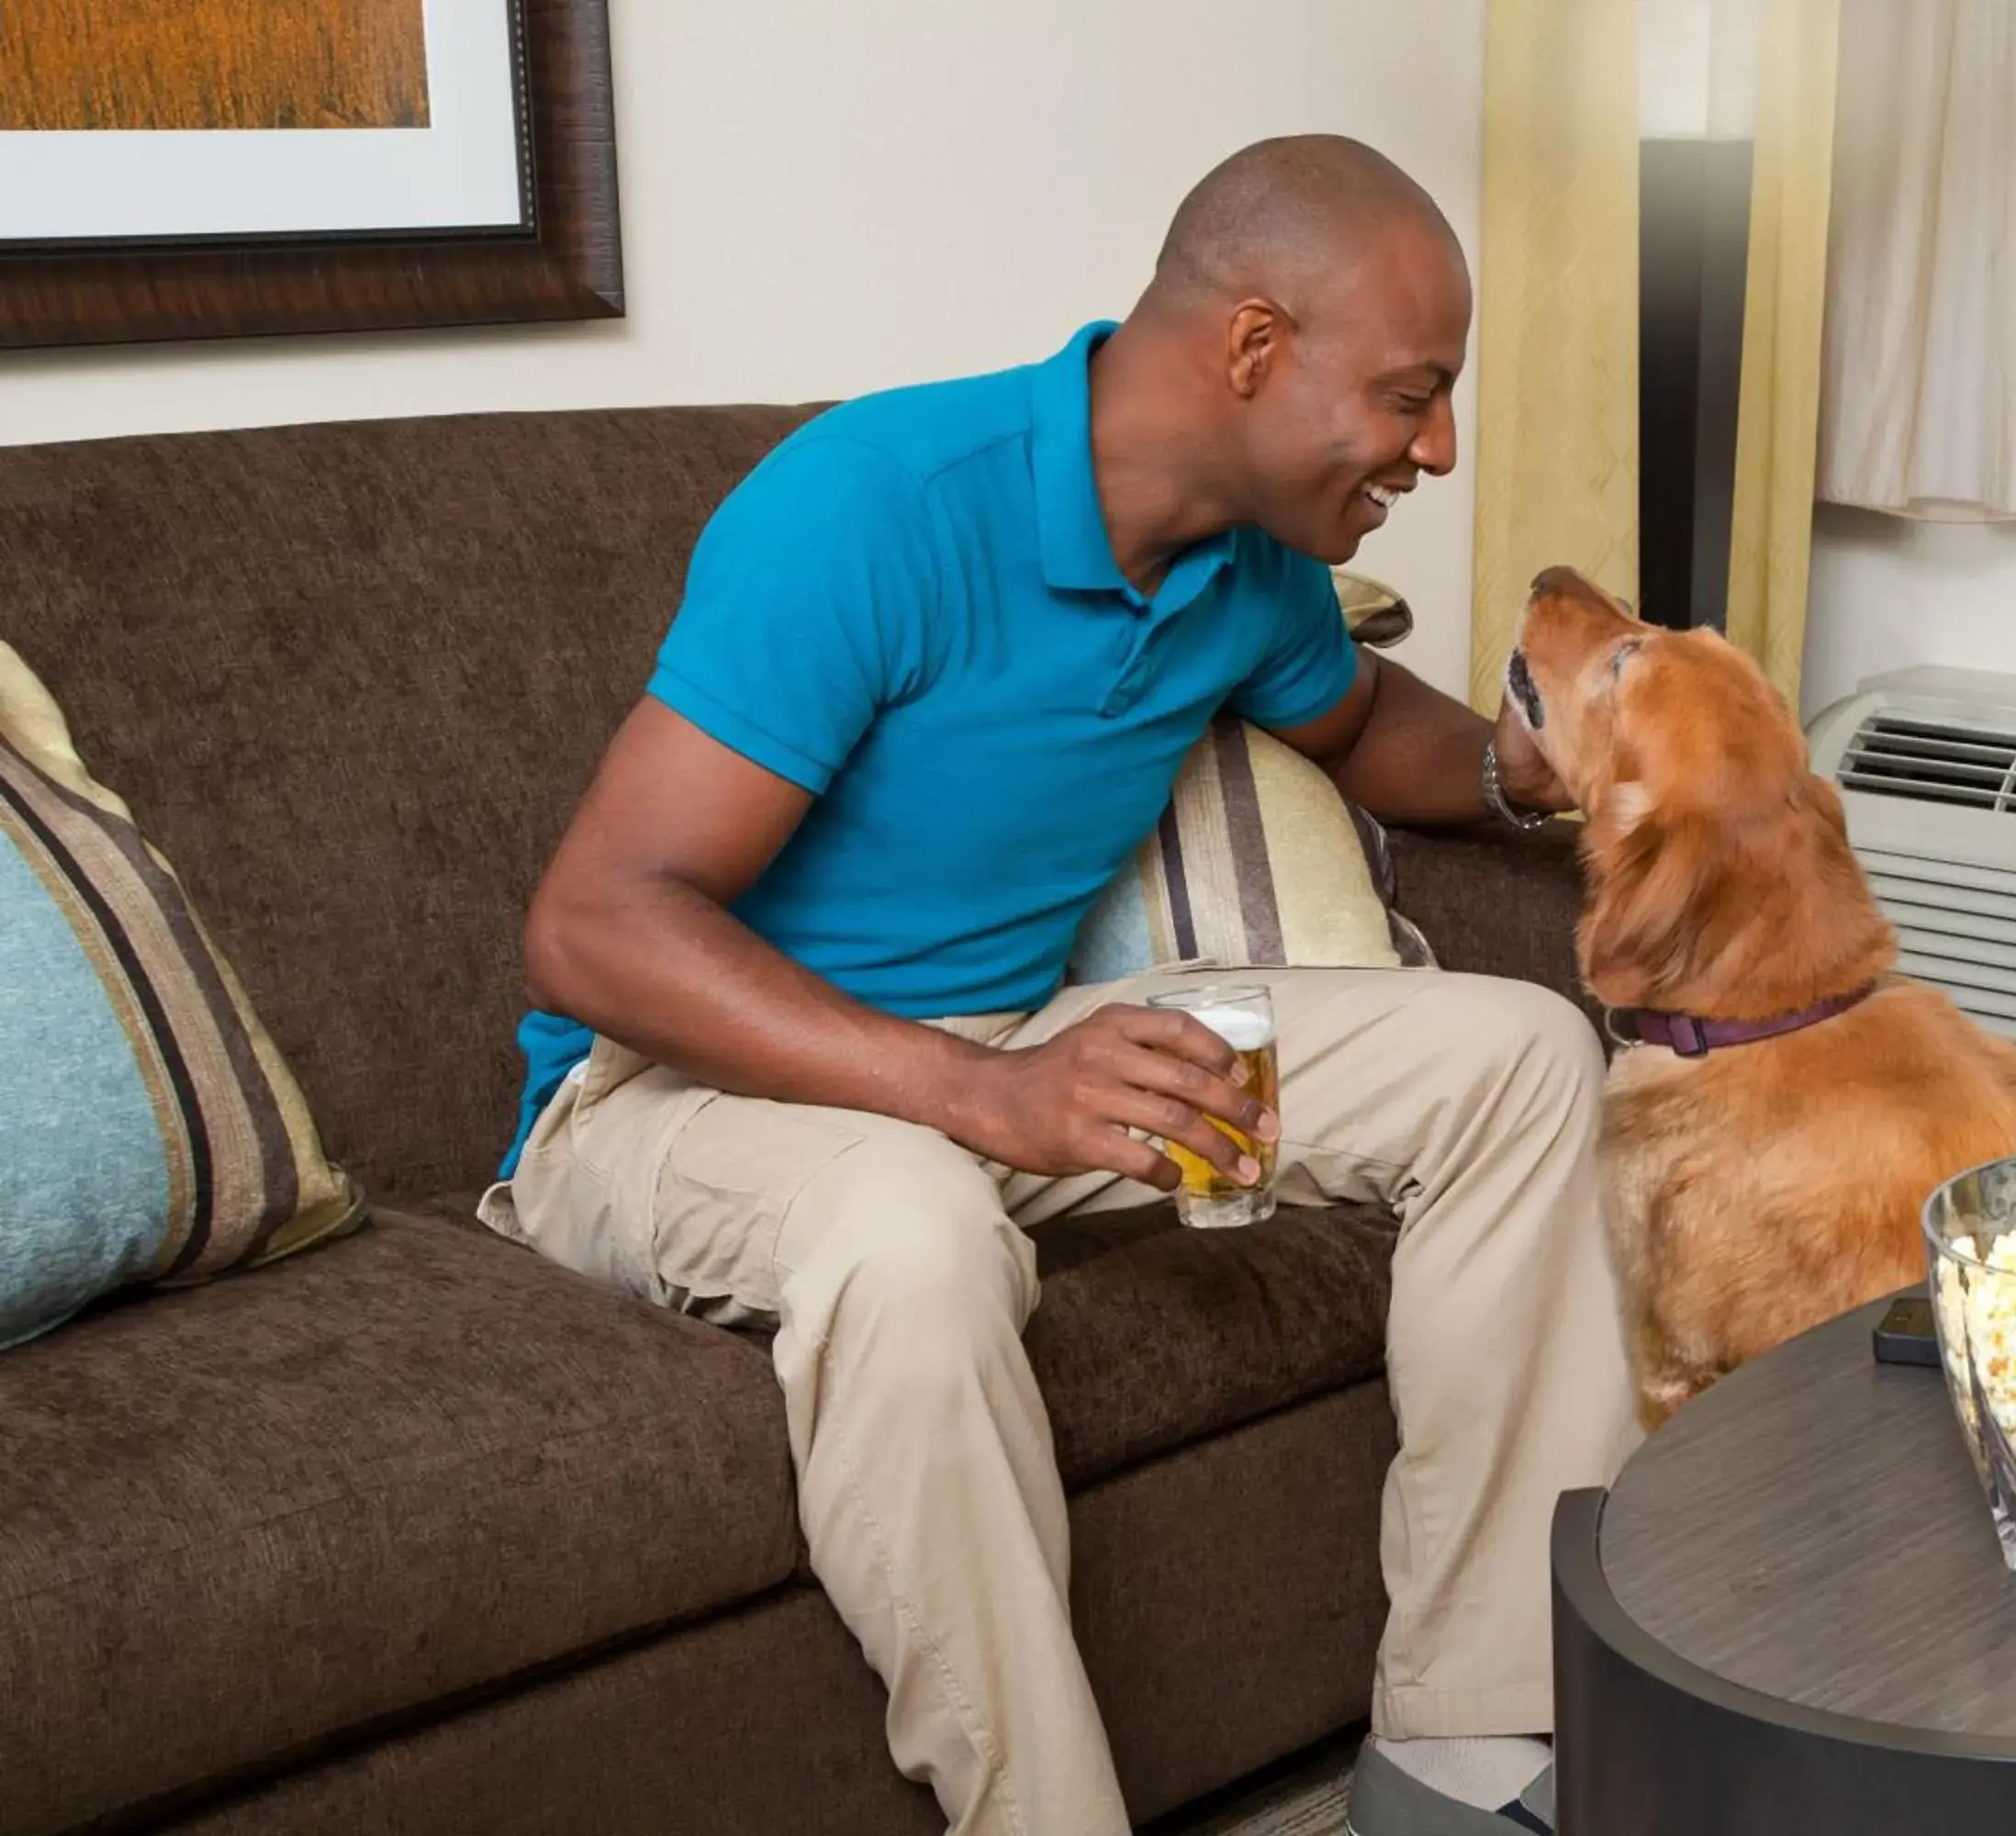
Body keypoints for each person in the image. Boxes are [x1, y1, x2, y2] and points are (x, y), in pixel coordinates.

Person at [476, 136, 1637, 1836]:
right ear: (1253, 350)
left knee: (1525, 1059)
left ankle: (1469, 1753)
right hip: (677, 1102)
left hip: (999, 1060)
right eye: (1411, 395)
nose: (1439, 450)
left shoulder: (1247, 567)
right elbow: (593, 927)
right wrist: (986, 1097)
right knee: (912, 1225)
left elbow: (1371, 728)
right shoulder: (877, 503)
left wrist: (1528, 774)